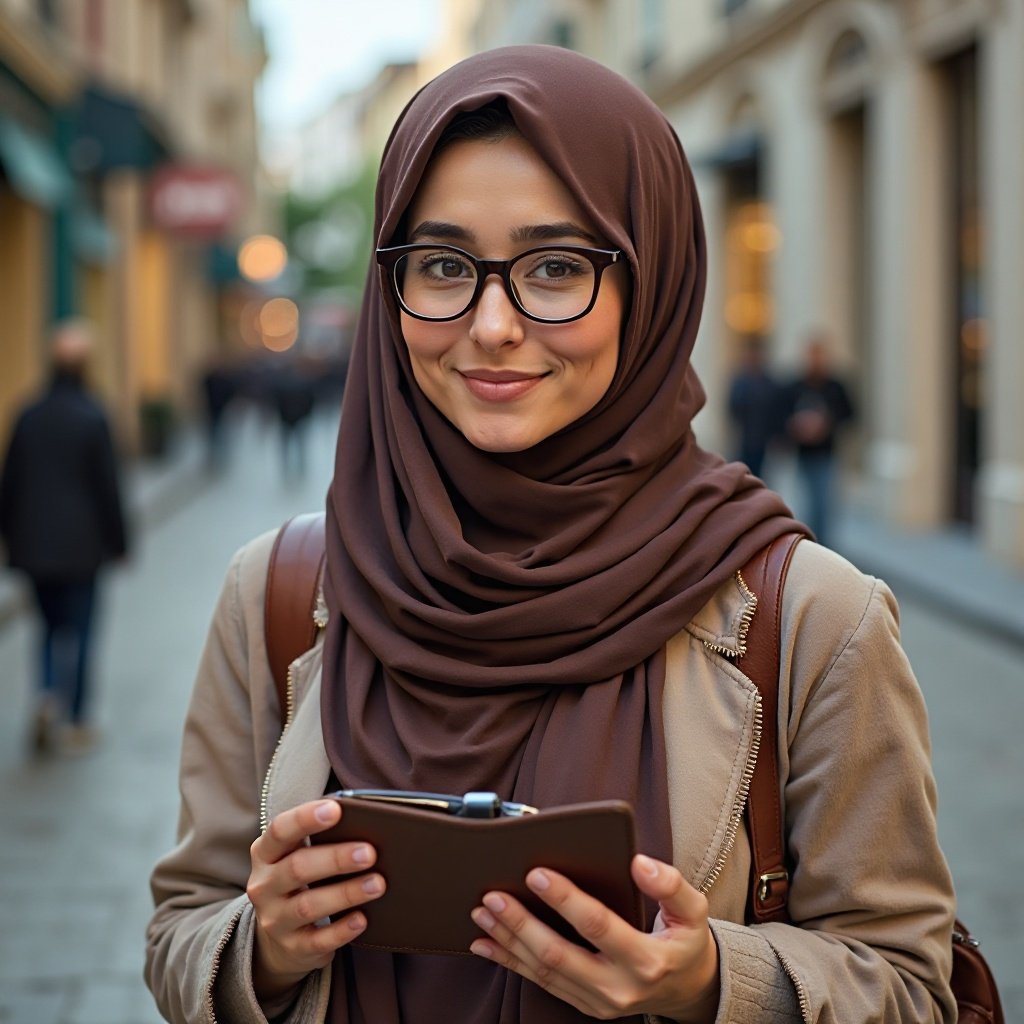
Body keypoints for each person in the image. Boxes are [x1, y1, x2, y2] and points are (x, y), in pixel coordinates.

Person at [145, 47, 956, 1024]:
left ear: (648, 282)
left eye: (557, 266)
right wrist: (261, 949)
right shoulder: (280, 594)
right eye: (442, 265)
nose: (490, 324)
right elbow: (182, 928)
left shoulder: (813, 619)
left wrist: (709, 982)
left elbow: (911, 984)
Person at [0, 319, 129, 754]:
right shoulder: (93, 416)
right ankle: (75, 717)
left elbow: (9, 481)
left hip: (34, 545)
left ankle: (45, 694)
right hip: (82, 546)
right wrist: (120, 541)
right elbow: (108, 487)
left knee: (48, 627)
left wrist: (8, 536)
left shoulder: (28, 414)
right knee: (82, 630)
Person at [779, 334, 855, 549]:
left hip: (827, 454)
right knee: (807, 504)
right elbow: (779, 416)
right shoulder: (794, 386)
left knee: (825, 504)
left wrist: (827, 423)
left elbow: (850, 415)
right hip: (803, 454)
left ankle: (825, 547)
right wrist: (795, 426)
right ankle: (811, 546)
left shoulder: (835, 386)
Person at [726, 338, 780, 480]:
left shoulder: (769, 382)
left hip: (765, 443)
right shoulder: (740, 382)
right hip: (745, 440)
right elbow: (732, 408)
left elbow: (776, 410)